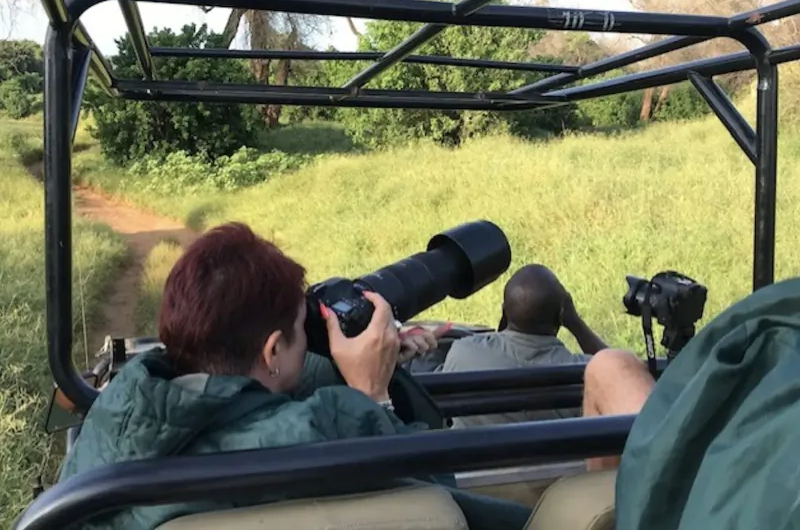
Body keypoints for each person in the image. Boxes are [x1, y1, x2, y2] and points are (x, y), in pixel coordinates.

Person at [58, 222, 654, 530]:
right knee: (613, 369)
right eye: (302, 324)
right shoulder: (331, 432)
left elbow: (248, 402)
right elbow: (432, 474)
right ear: (270, 351)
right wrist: (373, 392)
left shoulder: (108, 433)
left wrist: (383, 361)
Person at [429, 264, 629, 428]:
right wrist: (576, 323)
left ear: (505, 312)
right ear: (562, 315)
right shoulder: (582, 373)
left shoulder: (464, 352)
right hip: (555, 476)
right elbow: (620, 378)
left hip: (474, 473)